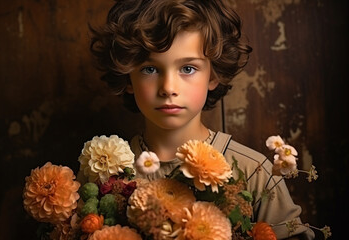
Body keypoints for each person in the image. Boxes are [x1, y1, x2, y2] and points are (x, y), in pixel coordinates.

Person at [89, 0, 315, 239]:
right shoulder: (105, 173)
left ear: (213, 74)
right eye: (150, 69)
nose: (168, 88)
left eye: (187, 69)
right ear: (127, 78)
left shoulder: (254, 173)